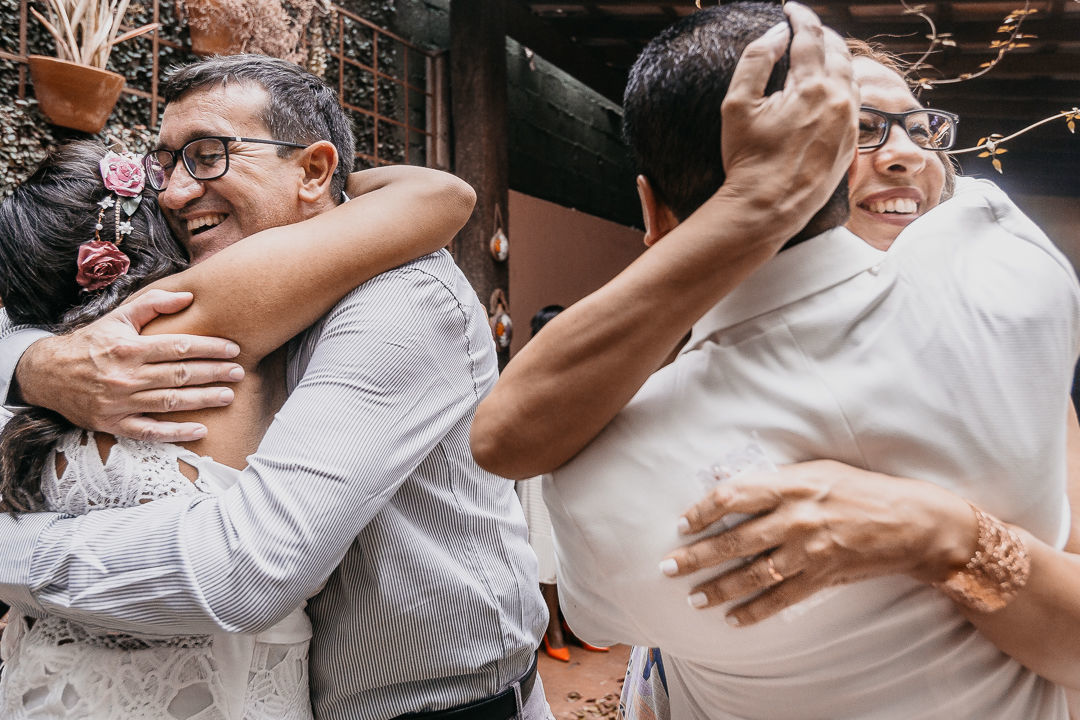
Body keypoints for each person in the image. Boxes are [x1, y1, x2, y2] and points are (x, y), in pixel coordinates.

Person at [480, 3, 1080, 718]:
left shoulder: (1007, 345)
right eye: (860, 130)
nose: (907, 154)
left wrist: (941, 531)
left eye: (923, 129)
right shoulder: (654, 353)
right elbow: (511, 433)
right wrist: (754, 214)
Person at [0, 54, 550, 720]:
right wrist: (32, 364)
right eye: (166, 163)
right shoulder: (248, 289)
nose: (172, 193)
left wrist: (16, 552)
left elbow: (248, 569)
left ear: (315, 171)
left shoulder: (402, 298)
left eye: (207, 156)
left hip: (441, 705)